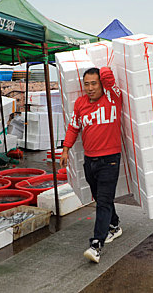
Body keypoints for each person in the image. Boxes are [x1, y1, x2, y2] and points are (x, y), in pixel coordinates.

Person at [60, 67, 122, 263]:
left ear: (101, 84)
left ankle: (96, 244)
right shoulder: (80, 104)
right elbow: (74, 127)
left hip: (110, 159)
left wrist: (103, 71)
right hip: (90, 160)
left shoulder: (113, 98)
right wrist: (65, 149)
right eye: (86, 84)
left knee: (103, 201)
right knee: (101, 197)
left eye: (94, 83)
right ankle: (114, 225)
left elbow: (109, 78)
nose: (90, 88)